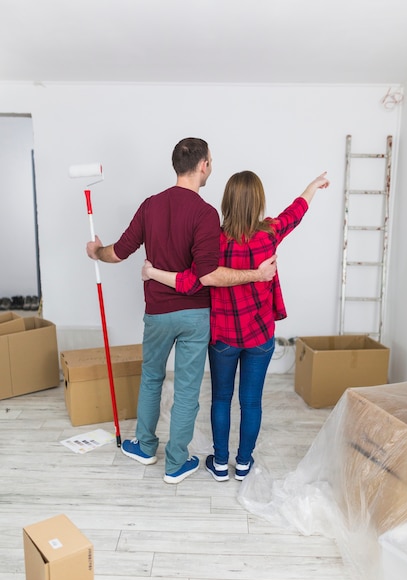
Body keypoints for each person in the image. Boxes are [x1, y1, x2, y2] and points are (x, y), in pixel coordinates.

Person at [86, 138, 277, 484]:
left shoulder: (150, 206)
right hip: (195, 316)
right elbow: (209, 275)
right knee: (188, 389)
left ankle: (144, 447)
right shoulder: (206, 214)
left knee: (151, 378)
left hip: (157, 312)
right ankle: (175, 464)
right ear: (203, 165)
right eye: (211, 161)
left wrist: (97, 251)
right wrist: (257, 275)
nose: (211, 166)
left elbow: (119, 253)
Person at [142, 169, 330, 481]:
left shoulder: (212, 240)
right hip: (259, 337)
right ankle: (243, 463)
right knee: (251, 402)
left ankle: (219, 464)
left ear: (227, 201)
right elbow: (295, 213)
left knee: (220, 399)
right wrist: (312, 186)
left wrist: (153, 272)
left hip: (223, 339)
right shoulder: (269, 233)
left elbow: (190, 280)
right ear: (259, 202)